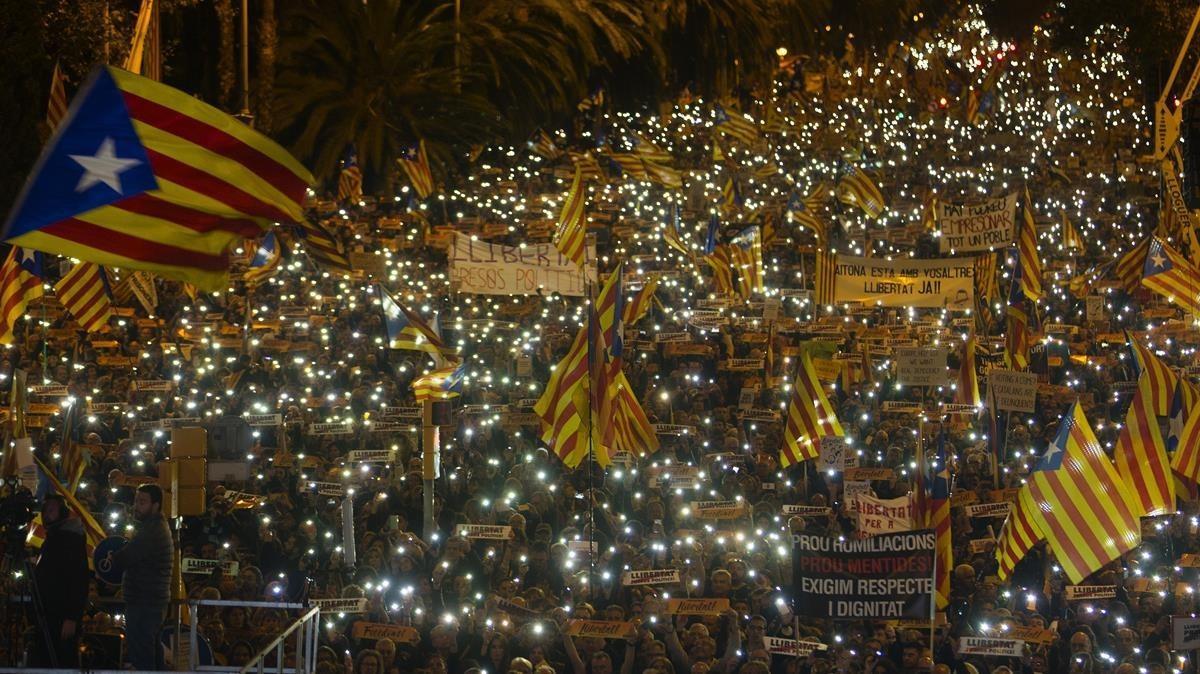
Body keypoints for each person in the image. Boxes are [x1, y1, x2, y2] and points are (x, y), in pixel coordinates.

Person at [111, 484, 173, 670]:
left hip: (145, 602)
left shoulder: (152, 531)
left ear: (155, 505)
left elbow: (126, 557)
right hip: (150, 600)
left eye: (142, 502)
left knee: (143, 655)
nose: (136, 506)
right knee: (152, 652)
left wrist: (112, 557)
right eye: (136, 501)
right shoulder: (153, 527)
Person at [30, 495, 88, 668]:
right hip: (48, 614)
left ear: (62, 512)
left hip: (62, 617)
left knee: (61, 661)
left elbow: (79, 578)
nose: (47, 515)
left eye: (52, 510)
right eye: (45, 510)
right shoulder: (53, 537)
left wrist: (72, 617)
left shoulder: (70, 539)